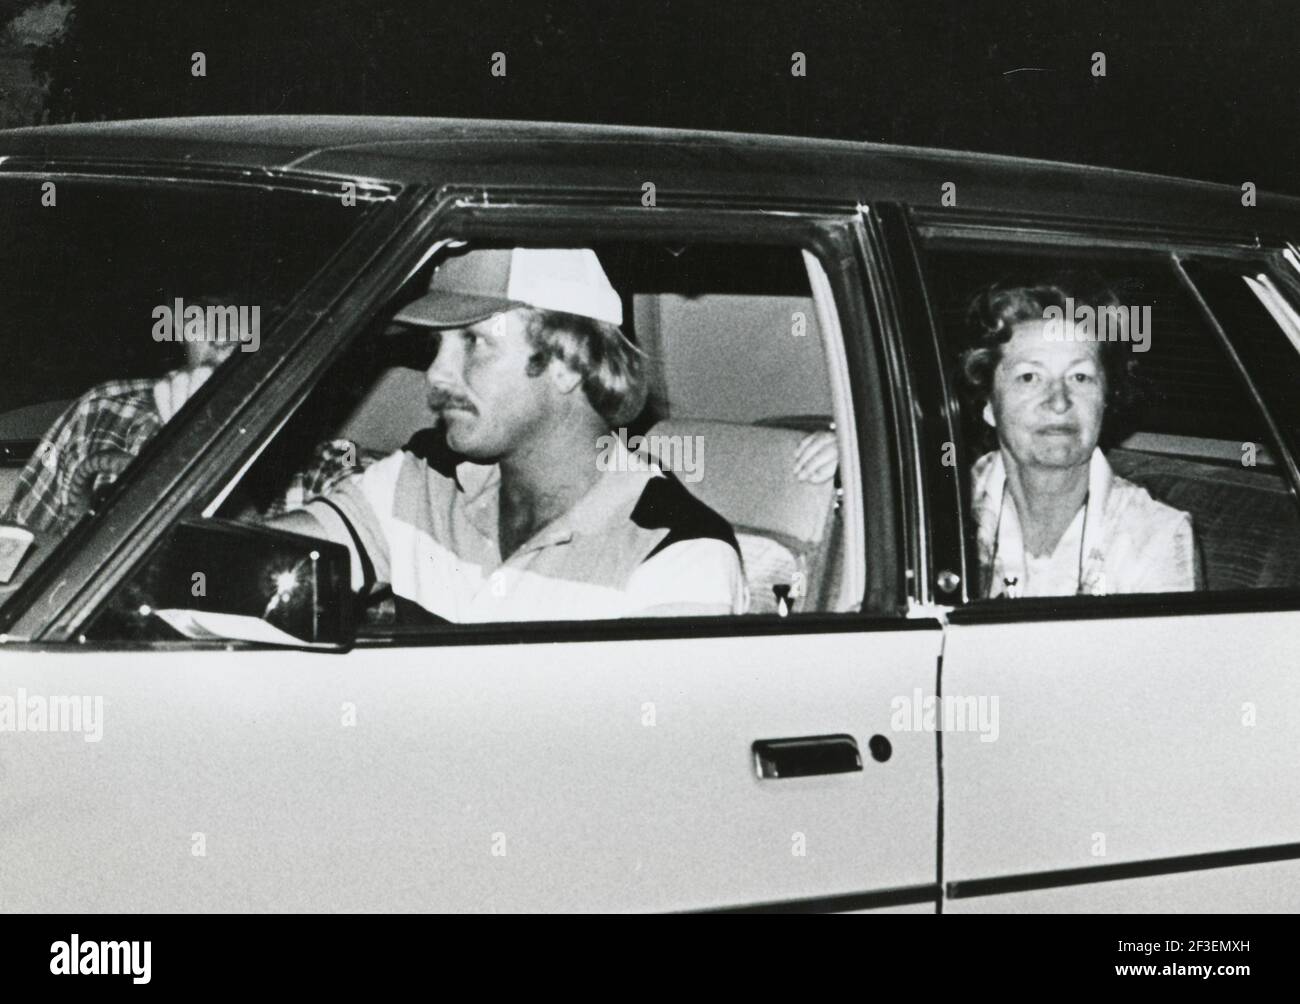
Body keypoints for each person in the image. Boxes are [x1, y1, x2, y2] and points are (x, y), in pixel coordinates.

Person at [271, 246, 749, 622]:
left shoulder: (675, 557)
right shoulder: (424, 481)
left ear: (567, 362)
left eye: (474, 342)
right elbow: (256, 567)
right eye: (437, 345)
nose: (437, 373)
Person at [960, 273, 1196, 598]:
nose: (1059, 401)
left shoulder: (1154, 536)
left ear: (1105, 400)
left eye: (1080, 377)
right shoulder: (943, 513)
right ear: (988, 403)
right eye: (1030, 377)